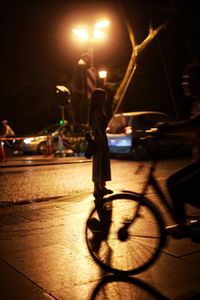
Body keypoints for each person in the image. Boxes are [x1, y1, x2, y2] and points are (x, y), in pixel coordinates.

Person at [157, 63, 200, 237]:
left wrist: (169, 127)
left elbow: (196, 124)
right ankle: (182, 223)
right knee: (173, 182)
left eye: (188, 80)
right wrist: (168, 136)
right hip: (198, 160)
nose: (185, 84)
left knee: (178, 188)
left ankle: (182, 225)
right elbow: (192, 136)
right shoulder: (196, 103)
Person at [88, 88, 113, 198]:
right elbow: (99, 129)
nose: (105, 100)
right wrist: (105, 144)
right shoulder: (98, 112)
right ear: (100, 99)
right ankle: (100, 188)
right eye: (104, 98)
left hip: (97, 140)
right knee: (101, 164)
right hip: (100, 141)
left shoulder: (95, 111)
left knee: (98, 165)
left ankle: (97, 188)